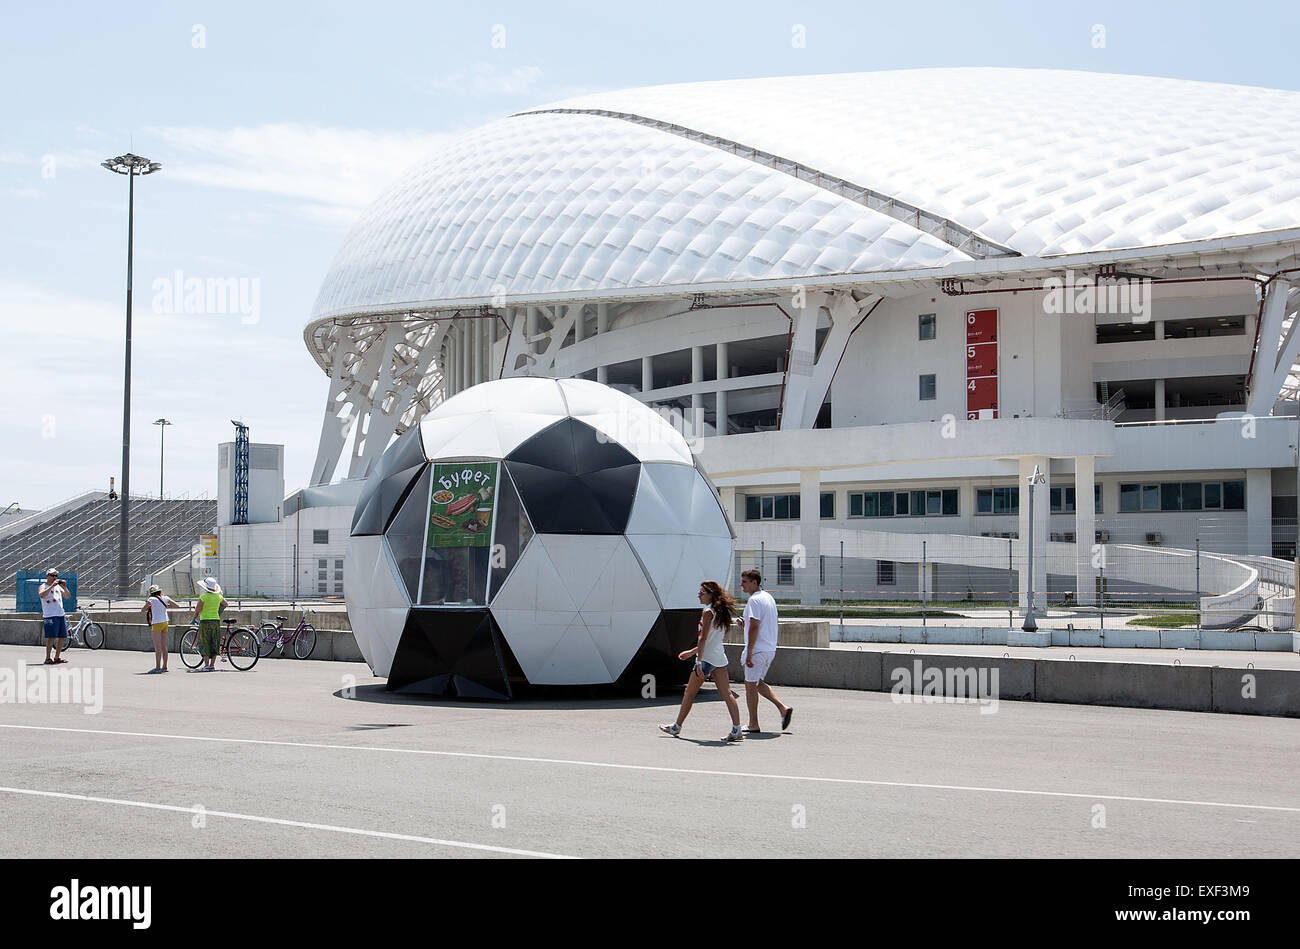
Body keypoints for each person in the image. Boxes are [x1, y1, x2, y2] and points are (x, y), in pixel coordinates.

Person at [659, 581, 744, 742]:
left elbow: (703, 639)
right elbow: (711, 641)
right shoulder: (720, 612)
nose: (699, 595)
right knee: (726, 694)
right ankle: (737, 730)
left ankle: (676, 727)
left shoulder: (708, 612)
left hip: (706, 660)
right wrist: (691, 652)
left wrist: (698, 662)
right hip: (719, 658)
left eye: (702, 593)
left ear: (710, 594)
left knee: (689, 693)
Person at [738, 569, 793, 733]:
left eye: (745, 581)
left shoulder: (754, 600)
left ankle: (753, 724)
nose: (741, 584)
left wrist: (749, 652)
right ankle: (783, 709)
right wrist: (744, 623)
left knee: (750, 687)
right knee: (757, 684)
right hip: (769, 649)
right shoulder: (768, 597)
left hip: (757, 650)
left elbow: (754, 626)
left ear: (754, 582)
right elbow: (760, 623)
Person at [140, 585, 180, 673]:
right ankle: (165, 666)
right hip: (165, 622)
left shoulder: (151, 600)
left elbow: (143, 610)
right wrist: (166, 605)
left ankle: (157, 667)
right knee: (164, 646)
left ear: (151, 593)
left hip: (157, 623)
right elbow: (177, 606)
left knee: (157, 647)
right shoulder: (165, 598)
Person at [191, 577, 228, 672]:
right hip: (215, 621)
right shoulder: (218, 597)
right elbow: (226, 604)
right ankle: (212, 665)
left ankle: (206, 665)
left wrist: (194, 618)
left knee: (204, 642)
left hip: (205, 621)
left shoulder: (203, 597)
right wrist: (217, 610)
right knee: (214, 642)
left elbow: (197, 610)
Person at [38, 568, 71, 665]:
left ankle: (57, 657)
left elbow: (67, 596)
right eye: (52, 575)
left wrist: (65, 587)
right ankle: (48, 658)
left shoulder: (58, 587)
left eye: (56, 576)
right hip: (50, 615)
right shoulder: (43, 586)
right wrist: (51, 586)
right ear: (47, 576)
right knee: (51, 637)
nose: (54, 577)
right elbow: (42, 595)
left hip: (60, 614)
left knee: (62, 637)